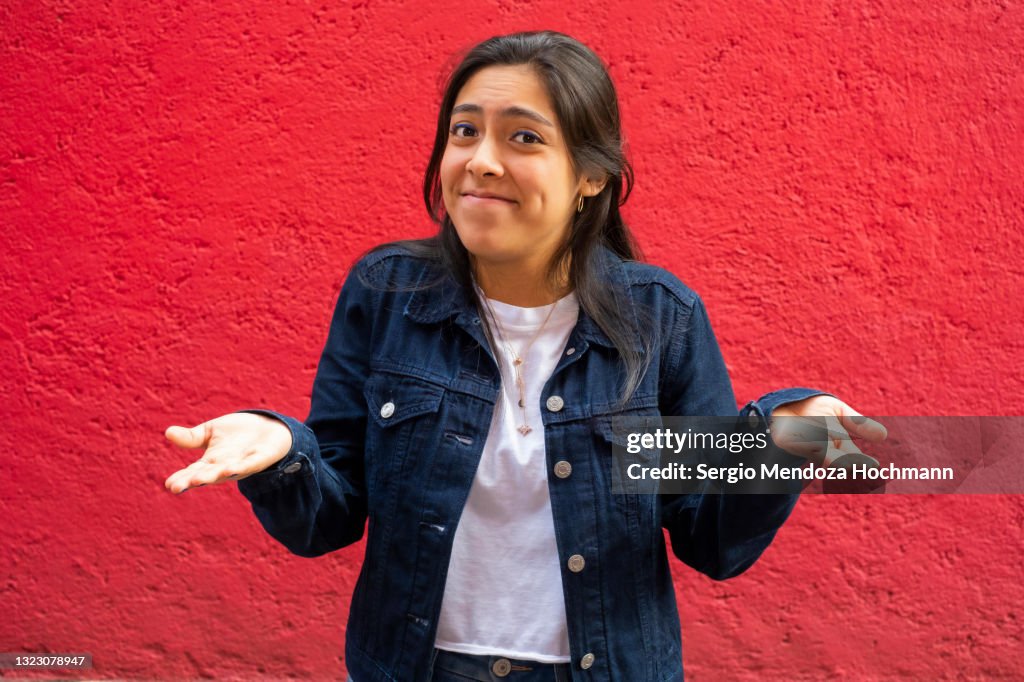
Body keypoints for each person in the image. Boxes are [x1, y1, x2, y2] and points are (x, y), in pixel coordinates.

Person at [163, 31, 885, 682]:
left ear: (591, 175)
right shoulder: (387, 294)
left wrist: (783, 447)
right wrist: (285, 450)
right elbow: (329, 518)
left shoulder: (658, 319)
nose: (480, 161)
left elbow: (709, 540)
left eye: (524, 139)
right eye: (465, 131)